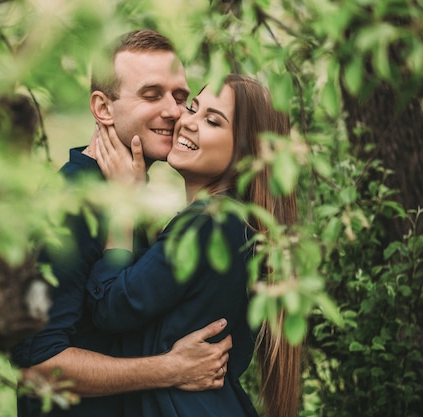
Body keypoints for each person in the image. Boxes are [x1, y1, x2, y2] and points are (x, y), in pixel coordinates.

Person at [11, 30, 233, 417]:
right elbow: (36, 367)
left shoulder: (125, 194)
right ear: (103, 108)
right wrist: (169, 369)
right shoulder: (70, 202)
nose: (175, 111)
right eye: (151, 95)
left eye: (181, 97)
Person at [87, 74, 303, 417]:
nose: (186, 122)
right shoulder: (243, 225)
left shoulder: (208, 223)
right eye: (194, 108)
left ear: (247, 154)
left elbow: (111, 309)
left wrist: (122, 206)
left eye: (212, 121)